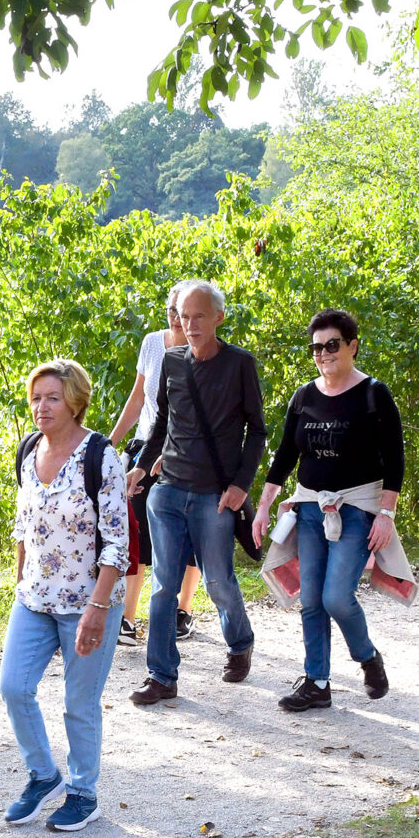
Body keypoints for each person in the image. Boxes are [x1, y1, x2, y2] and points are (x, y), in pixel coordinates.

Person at [0, 360, 126, 831]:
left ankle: (82, 792)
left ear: (74, 400)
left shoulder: (100, 455)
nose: (41, 406)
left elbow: (117, 541)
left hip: (88, 604)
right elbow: (23, 526)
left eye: (52, 397)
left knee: (80, 703)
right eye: (35, 397)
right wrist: (18, 582)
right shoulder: (29, 450)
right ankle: (43, 775)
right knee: (13, 687)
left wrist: (97, 608)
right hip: (33, 599)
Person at [256, 309, 402, 709]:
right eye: (317, 347)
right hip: (309, 508)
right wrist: (264, 506)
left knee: (337, 596)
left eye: (332, 345)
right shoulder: (304, 397)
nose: (324, 353)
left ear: (352, 346)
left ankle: (368, 658)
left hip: (357, 509)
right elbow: (285, 455)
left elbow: (395, 460)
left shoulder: (374, 394)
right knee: (312, 600)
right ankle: (317, 682)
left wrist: (386, 515)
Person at [129, 280, 265, 703]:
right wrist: (139, 468)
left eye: (199, 316)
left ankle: (240, 642)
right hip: (167, 491)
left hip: (214, 495)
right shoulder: (171, 362)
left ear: (219, 317)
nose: (189, 324)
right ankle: (162, 676)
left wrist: (241, 486)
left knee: (218, 579)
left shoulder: (240, 364)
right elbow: (160, 426)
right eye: (183, 317)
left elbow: (257, 432)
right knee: (163, 584)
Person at [108, 287, 202, 644]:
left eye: (182, 310)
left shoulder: (201, 348)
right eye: (171, 309)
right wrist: (111, 441)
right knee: (137, 530)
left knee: (188, 534)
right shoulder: (151, 343)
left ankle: (183, 611)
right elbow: (137, 397)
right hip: (145, 449)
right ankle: (127, 620)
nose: (175, 317)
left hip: (185, 456)